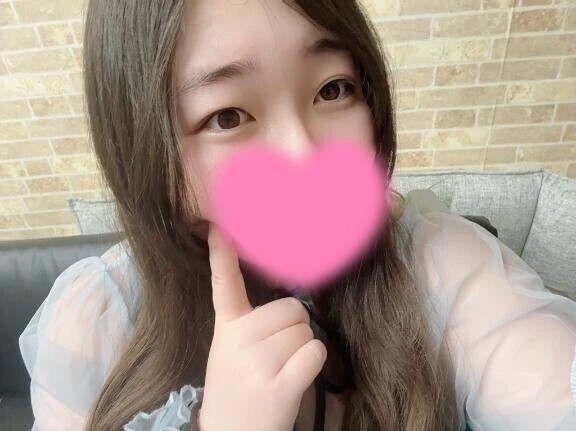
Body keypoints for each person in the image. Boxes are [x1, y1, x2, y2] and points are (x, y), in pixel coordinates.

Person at [18, 1, 576, 430]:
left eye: (333, 89)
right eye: (228, 116)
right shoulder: (98, 323)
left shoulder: (444, 267)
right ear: (146, 152)